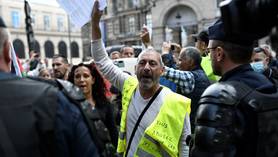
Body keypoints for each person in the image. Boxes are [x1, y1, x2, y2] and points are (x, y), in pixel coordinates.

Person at [91, 1, 191, 156]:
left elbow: (184, 146)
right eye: (142, 63)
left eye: (152, 64)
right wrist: (95, 24)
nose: (146, 67)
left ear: (162, 70)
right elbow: (102, 61)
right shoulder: (128, 85)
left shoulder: (176, 103)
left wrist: (147, 45)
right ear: (135, 69)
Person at [0, 16, 99, 157]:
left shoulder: (57, 95)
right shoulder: (52, 99)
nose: (55, 68)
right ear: (7, 52)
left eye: (58, 64)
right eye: (53, 65)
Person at [190, 19, 278, 157]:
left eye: (209, 51)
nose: (209, 56)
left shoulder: (219, 95)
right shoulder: (269, 85)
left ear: (219, 53)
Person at [68, 61, 118, 156]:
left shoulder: (104, 105)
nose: (81, 80)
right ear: (73, 80)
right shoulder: (68, 105)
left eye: (86, 76)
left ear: (93, 80)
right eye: (77, 76)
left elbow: (113, 133)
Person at [163, 47, 211, 132]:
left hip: (191, 130)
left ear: (190, 62)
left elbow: (166, 71)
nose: (178, 63)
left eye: (180, 60)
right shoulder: (201, 75)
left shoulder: (190, 77)